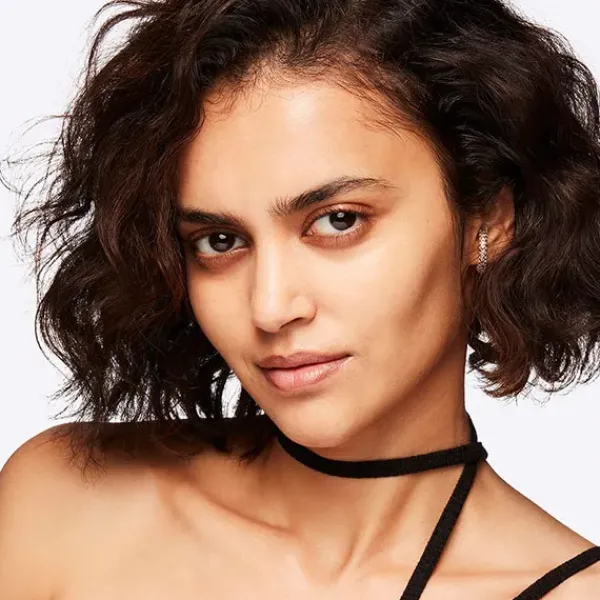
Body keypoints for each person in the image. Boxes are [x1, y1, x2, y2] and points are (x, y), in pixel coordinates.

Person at [1, 0, 600, 597]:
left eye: (339, 220)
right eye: (219, 240)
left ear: (487, 219)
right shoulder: (63, 504)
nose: (270, 307)